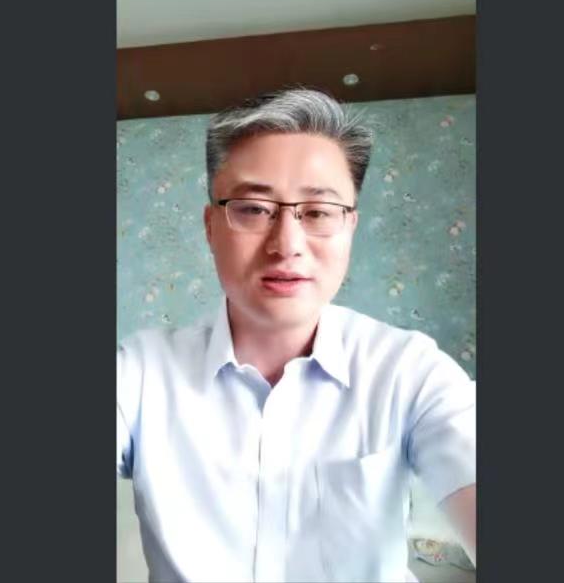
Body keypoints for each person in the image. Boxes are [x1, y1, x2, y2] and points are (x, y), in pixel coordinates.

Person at [117, 88, 476, 582]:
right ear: (211, 226)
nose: (286, 245)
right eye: (253, 208)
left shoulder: (409, 371)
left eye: (318, 211)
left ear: (350, 226)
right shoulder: (139, 374)